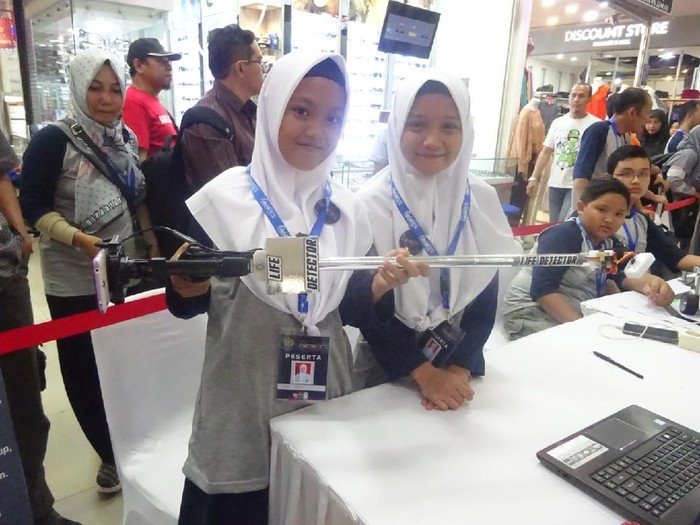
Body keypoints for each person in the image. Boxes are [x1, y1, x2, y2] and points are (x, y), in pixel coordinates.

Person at [168, 52, 426, 525]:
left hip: (323, 396)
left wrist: (379, 282)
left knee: (315, 497)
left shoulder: (346, 210)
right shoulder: (223, 201)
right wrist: (185, 286)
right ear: (271, 110)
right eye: (302, 110)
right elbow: (188, 302)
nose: (316, 131)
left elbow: (346, 308)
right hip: (242, 404)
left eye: (333, 118)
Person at [20, 49, 159, 494]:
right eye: (95, 88)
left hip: (123, 271)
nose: (106, 98)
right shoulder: (52, 141)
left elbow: (137, 197)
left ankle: (133, 435)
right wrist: (81, 240)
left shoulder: (125, 138)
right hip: (74, 278)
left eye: (115, 89)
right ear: (78, 89)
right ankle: (108, 452)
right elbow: (32, 207)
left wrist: (151, 245)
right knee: (84, 369)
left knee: (124, 360)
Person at [354, 72, 517, 411]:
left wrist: (459, 368)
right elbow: (366, 308)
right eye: (417, 124)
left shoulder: (481, 199)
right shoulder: (368, 205)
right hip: (386, 367)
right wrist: (425, 374)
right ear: (396, 127)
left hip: (458, 358)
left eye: (449, 127)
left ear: (466, 131)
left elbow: (484, 291)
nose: (432, 140)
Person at [0, 132, 80, 525]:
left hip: (4, 279)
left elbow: (2, 176)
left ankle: (37, 509)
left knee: (25, 404)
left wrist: (20, 233)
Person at [503, 178, 674, 341]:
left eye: (619, 214)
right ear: (581, 207)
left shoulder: (608, 242)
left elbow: (620, 275)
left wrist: (652, 286)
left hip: (572, 312)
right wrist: (584, 329)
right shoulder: (562, 236)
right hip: (530, 313)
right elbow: (543, 292)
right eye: (601, 209)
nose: (609, 219)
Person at [182, 24, 261, 191]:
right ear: (241, 68)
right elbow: (231, 195)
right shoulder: (205, 123)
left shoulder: (249, 110)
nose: (264, 69)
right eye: (260, 62)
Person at [612, 144, 700, 270]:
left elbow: (675, 256)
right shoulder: (598, 219)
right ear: (609, 177)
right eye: (626, 174)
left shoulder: (642, 220)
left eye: (643, 174)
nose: (636, 180)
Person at [526, 83, 599, 222]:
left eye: (581, 96)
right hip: (556, 183)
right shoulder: (558, 122)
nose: (576, 99)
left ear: (589, 99)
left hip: (578, 184)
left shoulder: (596, 125)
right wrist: (534, 177)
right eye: (574, 95)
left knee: (564, 222)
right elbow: (546, 152)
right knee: (554, 223)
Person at [572, 87, 651, 204]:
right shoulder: (599, 131)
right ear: (633, 112)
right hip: (595, 204)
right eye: (647, 112)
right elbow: (581, 175)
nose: (648, 119)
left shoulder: (626, 136)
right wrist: (583, 209)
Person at [122, 38, 182, 160]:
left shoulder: (150, 100)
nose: (169, 67)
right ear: (139, 65)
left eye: (168, 61)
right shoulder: (133, 102)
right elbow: (138, 162)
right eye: (161, 61)